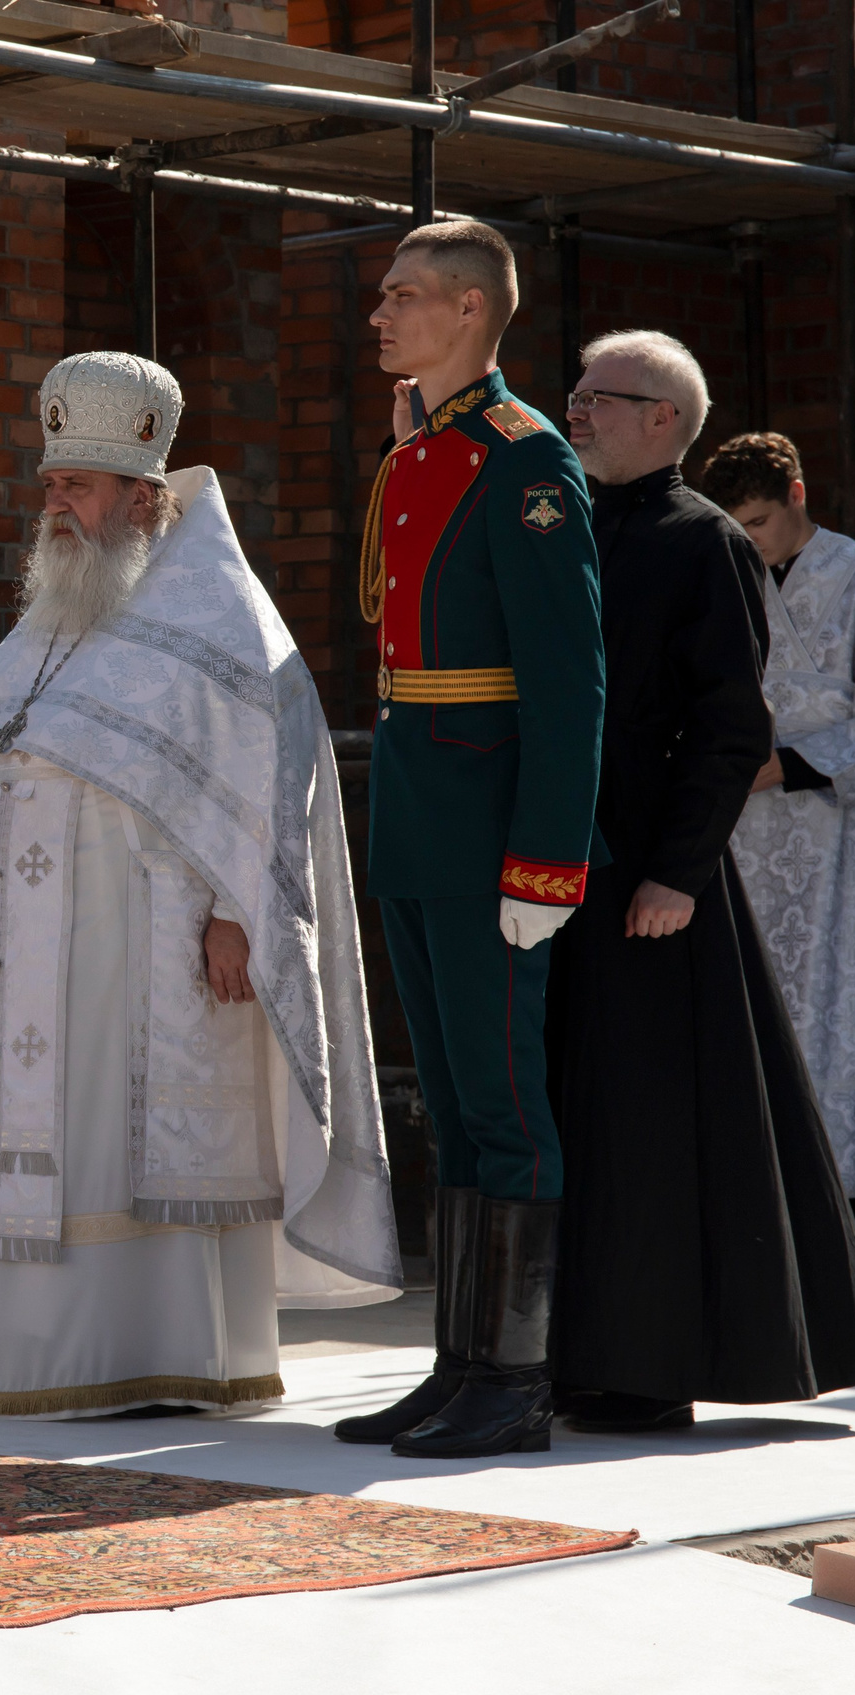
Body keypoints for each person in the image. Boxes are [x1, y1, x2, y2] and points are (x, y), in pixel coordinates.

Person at [0, 353, 400, 1419]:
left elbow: (272, 768)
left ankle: (166, 1350)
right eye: (49, 486)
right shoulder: (49, 620)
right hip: (30, 938)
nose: (55, 507)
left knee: (125, 1129)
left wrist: (240, 914)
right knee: (44, 1125)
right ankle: (28, 1359)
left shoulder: (217, 617)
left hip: (154, 935)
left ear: (143, 499)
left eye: (79, 488)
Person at [546, 333, 855, 1431]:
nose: (580, 413)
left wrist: (677, 873)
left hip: (652, 875)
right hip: (561, 864)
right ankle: (570, 1354)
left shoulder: (703, 543)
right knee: (581, 1111)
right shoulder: (562, 525)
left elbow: (726, 723)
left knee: (657, 1122)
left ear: (663, 418)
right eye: (576, 396)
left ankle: (650, 1368)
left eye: (599, 399)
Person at [332, 220, 606, 1459]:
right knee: (447, 1098)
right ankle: (458, 1365)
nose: (379, 316)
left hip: (493, 822)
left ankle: (516, 1380)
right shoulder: (422, 452)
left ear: (468, 313)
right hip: (420, 806)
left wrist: (547, 859)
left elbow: (568, 679)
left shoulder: (524, 458)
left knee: (504, 1102)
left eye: (400, 296)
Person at [697, 432, 855, 1297]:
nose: (751, 539)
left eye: (761, 520)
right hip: (746, 841)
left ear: (798, 493)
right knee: (760, 1027)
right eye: (738, 525)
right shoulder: (727, 579)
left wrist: (793, 762)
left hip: (842, 835)